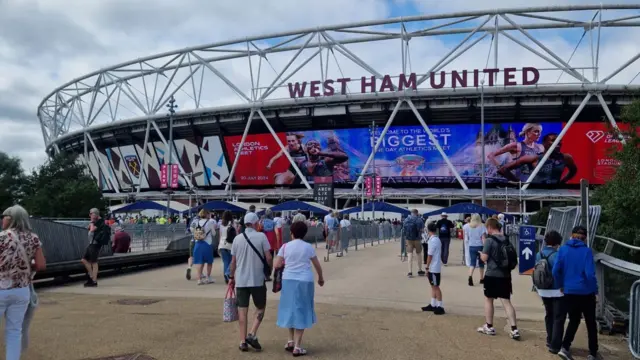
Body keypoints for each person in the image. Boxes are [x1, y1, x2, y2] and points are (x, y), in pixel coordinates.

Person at [0, 205, 46, 360]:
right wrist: (24, 266)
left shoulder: (2, 237)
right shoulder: (33, 238)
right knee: (14, 331)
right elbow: (41, 265)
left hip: (1, 287)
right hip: (21, 290)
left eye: (4, 216)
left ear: (11, 219)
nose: (2, 219)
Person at [274, 221, 325, 356]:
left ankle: (290, 340)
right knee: (302, 309)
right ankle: (297, 346)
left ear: (291, 233)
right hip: (304, 280)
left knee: (290, 308)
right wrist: (320, 278)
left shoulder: (285, 247)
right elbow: (317, 265)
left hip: (288, 279)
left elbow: (277, 264)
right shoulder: (308, 247)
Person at [553, 226, 601, 360]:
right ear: (585, 238)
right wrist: (595, 290)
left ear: (571, 235)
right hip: (586, 292)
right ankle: (592, 353)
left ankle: (565, 347)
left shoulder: (563, 250)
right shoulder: (586, 251)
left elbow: (555, 271)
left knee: (574, 320)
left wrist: (561, 285)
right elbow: (590, 275)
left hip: (569, 291)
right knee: (591, 323)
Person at [229, 212, 272, 352]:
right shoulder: (261, 236)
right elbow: (269, 257)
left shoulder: (237, 239)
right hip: (257, 279)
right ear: (255, 223)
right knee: (260, 307)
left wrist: (231, 277)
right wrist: (269, 271)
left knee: (242, 310)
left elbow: (233, 262)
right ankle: (252, 334)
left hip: (241, 280)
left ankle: (242, 341)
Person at [477, 218, 520, 340]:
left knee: (488, 299)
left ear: (490, 227)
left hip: (492, 274)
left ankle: (489, 326)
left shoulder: (489, 241)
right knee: (506, 301)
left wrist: (482, 253)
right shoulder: (506, 239)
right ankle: (514, 328)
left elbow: (484, 258)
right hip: (505, 275)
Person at [498, 133, 577, 185]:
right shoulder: (534, 158)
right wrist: (518, 183)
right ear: (544, 143)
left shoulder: (566, 158)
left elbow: (573, 170)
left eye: (560, 141)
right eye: (553, 140)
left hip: (556, 195)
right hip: (535, 196)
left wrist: (563, 182)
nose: (558, 143)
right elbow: (503, 169)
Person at [534, 230, 566, 355]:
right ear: (558, 242)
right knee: (559, 317)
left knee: (549, 314)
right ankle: (555, 345)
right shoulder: (557, 255)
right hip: (557, 290)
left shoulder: (539, 254)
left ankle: (549, 339)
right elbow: (560, 273)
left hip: (543, 290)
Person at [81, 208, 111, 287]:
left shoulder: (99, 222)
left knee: (94, 262)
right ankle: (91, 276)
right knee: (84, 260)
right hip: (91, 244)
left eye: (91, 214)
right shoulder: (96, 222)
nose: (89, 215)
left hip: (95, 244)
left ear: (95, 214)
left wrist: (91, 222)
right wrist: (92, 222)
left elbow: (91, 230)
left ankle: (94, 280)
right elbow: (88, 228)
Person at [421, 221, 444, 315]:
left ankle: (440, 306)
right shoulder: (436, 239)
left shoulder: (432, 240)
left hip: (434, 267)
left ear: (428, 230)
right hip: (435, 266)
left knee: (435, 286)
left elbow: (429, 255)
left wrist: (427, 267)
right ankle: (433, 304)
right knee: (433, 286)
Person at [191, 209, 216, 285]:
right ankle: (208, 278)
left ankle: (199, 279)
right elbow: (214, 234)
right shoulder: (210, 222)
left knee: (199, 262)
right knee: (209, 262)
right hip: (207, 244)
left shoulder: (196, 222)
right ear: (207, 214)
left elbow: (192, 230)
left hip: (198, 244)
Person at [463, 214, 486, 286]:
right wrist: (485, 247)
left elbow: (465, 237)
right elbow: (483, 238)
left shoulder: (467, 226)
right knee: (481, 263)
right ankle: (481, 279)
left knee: (472, 263)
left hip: (471, 246)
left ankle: (470, 276)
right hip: (480, 246)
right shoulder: (482, 226)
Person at [403, 209, 425, 278]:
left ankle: (410, 272)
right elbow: (422, 229)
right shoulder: (419, 220)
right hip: (417, 239)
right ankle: (419, 270)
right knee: (419, 254)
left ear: (411, 213)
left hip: (408, 239)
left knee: (410, 254)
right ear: (417, 213)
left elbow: (403, 230)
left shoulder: (406, 220)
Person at [218, 210, 236, 284]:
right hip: (230, 245)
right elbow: (236, 234)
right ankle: (227, 273)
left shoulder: (221, 224)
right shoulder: (232, 224)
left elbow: (220, 235)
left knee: (225, 261)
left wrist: (219, 245)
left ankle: (226, 277)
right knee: (233, 261)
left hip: (222, 245)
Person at [261, 209, 277, 281]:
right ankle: (268, 274)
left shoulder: (262, 222)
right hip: (271, 242)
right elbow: (276, 233)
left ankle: (263, 274)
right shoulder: (273, 222)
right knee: (270, 258)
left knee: (263, 258)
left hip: (263, 241)